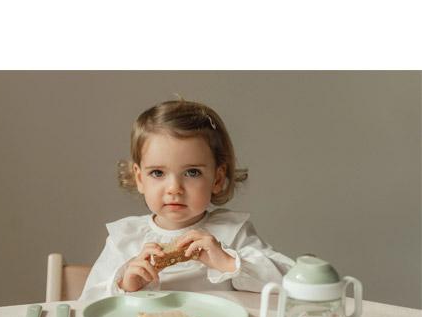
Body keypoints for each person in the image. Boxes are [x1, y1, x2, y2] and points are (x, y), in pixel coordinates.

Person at [79, 99, 294, 303]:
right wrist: (125, 286)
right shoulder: (125, 238)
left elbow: (291, 281)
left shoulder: (232, 232)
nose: (174, 188)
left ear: (217, 179)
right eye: (157, 173)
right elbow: (87, 305)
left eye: (192, 172)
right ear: (140, 178)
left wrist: (230, 262)